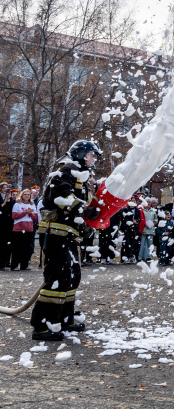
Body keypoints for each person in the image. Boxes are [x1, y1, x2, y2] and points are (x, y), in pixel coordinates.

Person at [30, 140, 102, 341]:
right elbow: (62, 197)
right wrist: (83, 209)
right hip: (55, 234)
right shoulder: (65, 171)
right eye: (90, 155)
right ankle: (42, 325)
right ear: (80, 154)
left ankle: (63, 319)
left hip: (68, 235)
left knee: (72, 277)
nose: (92, 159)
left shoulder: (80, 177)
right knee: (57, 278)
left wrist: (86, 224)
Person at [10, 189, 38, 270]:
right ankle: (14, 265)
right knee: (17, 248)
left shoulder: (32, 205)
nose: (27, 196)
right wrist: (25, 212)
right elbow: (15, 216)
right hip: (18, 229)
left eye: (28, 194)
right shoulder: (17, 205)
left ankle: (24, 265)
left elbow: (35, 217)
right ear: (22, 195)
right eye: (25, 194)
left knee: (27, 248)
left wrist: (30, 213)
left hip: (28, 228)